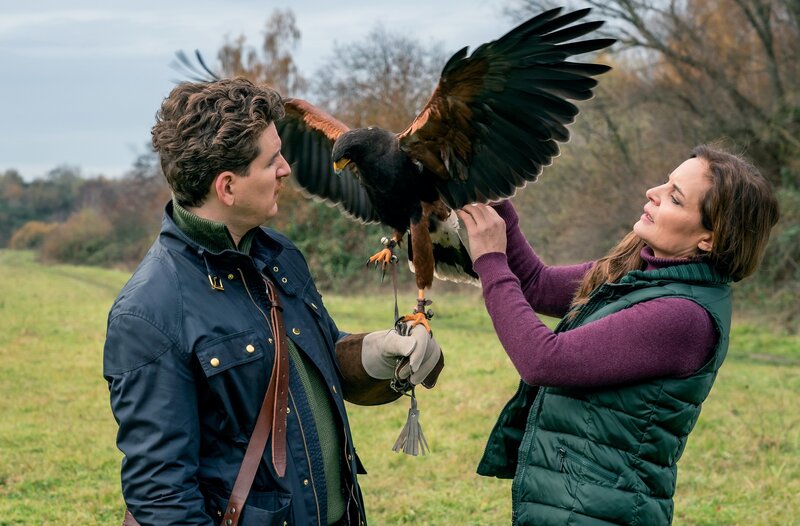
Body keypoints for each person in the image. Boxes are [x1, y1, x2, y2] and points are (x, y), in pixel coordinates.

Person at [103, 78, 444, 526]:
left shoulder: (279, 256)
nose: (287, 169)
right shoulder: (150, 313)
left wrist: (379, 355)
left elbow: (314, 362)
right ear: (227, 187)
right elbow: (162, 499)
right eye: (272, 161)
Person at [457, 145, 779, 526]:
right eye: (666, 181)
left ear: (709, 237)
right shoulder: (638, 273)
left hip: (601, 513)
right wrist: (492, 200)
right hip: (574, 503)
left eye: (674, 197)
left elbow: (544, 361)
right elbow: (536, 284)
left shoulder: (683, 316)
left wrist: (490, 260)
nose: (653, 193)